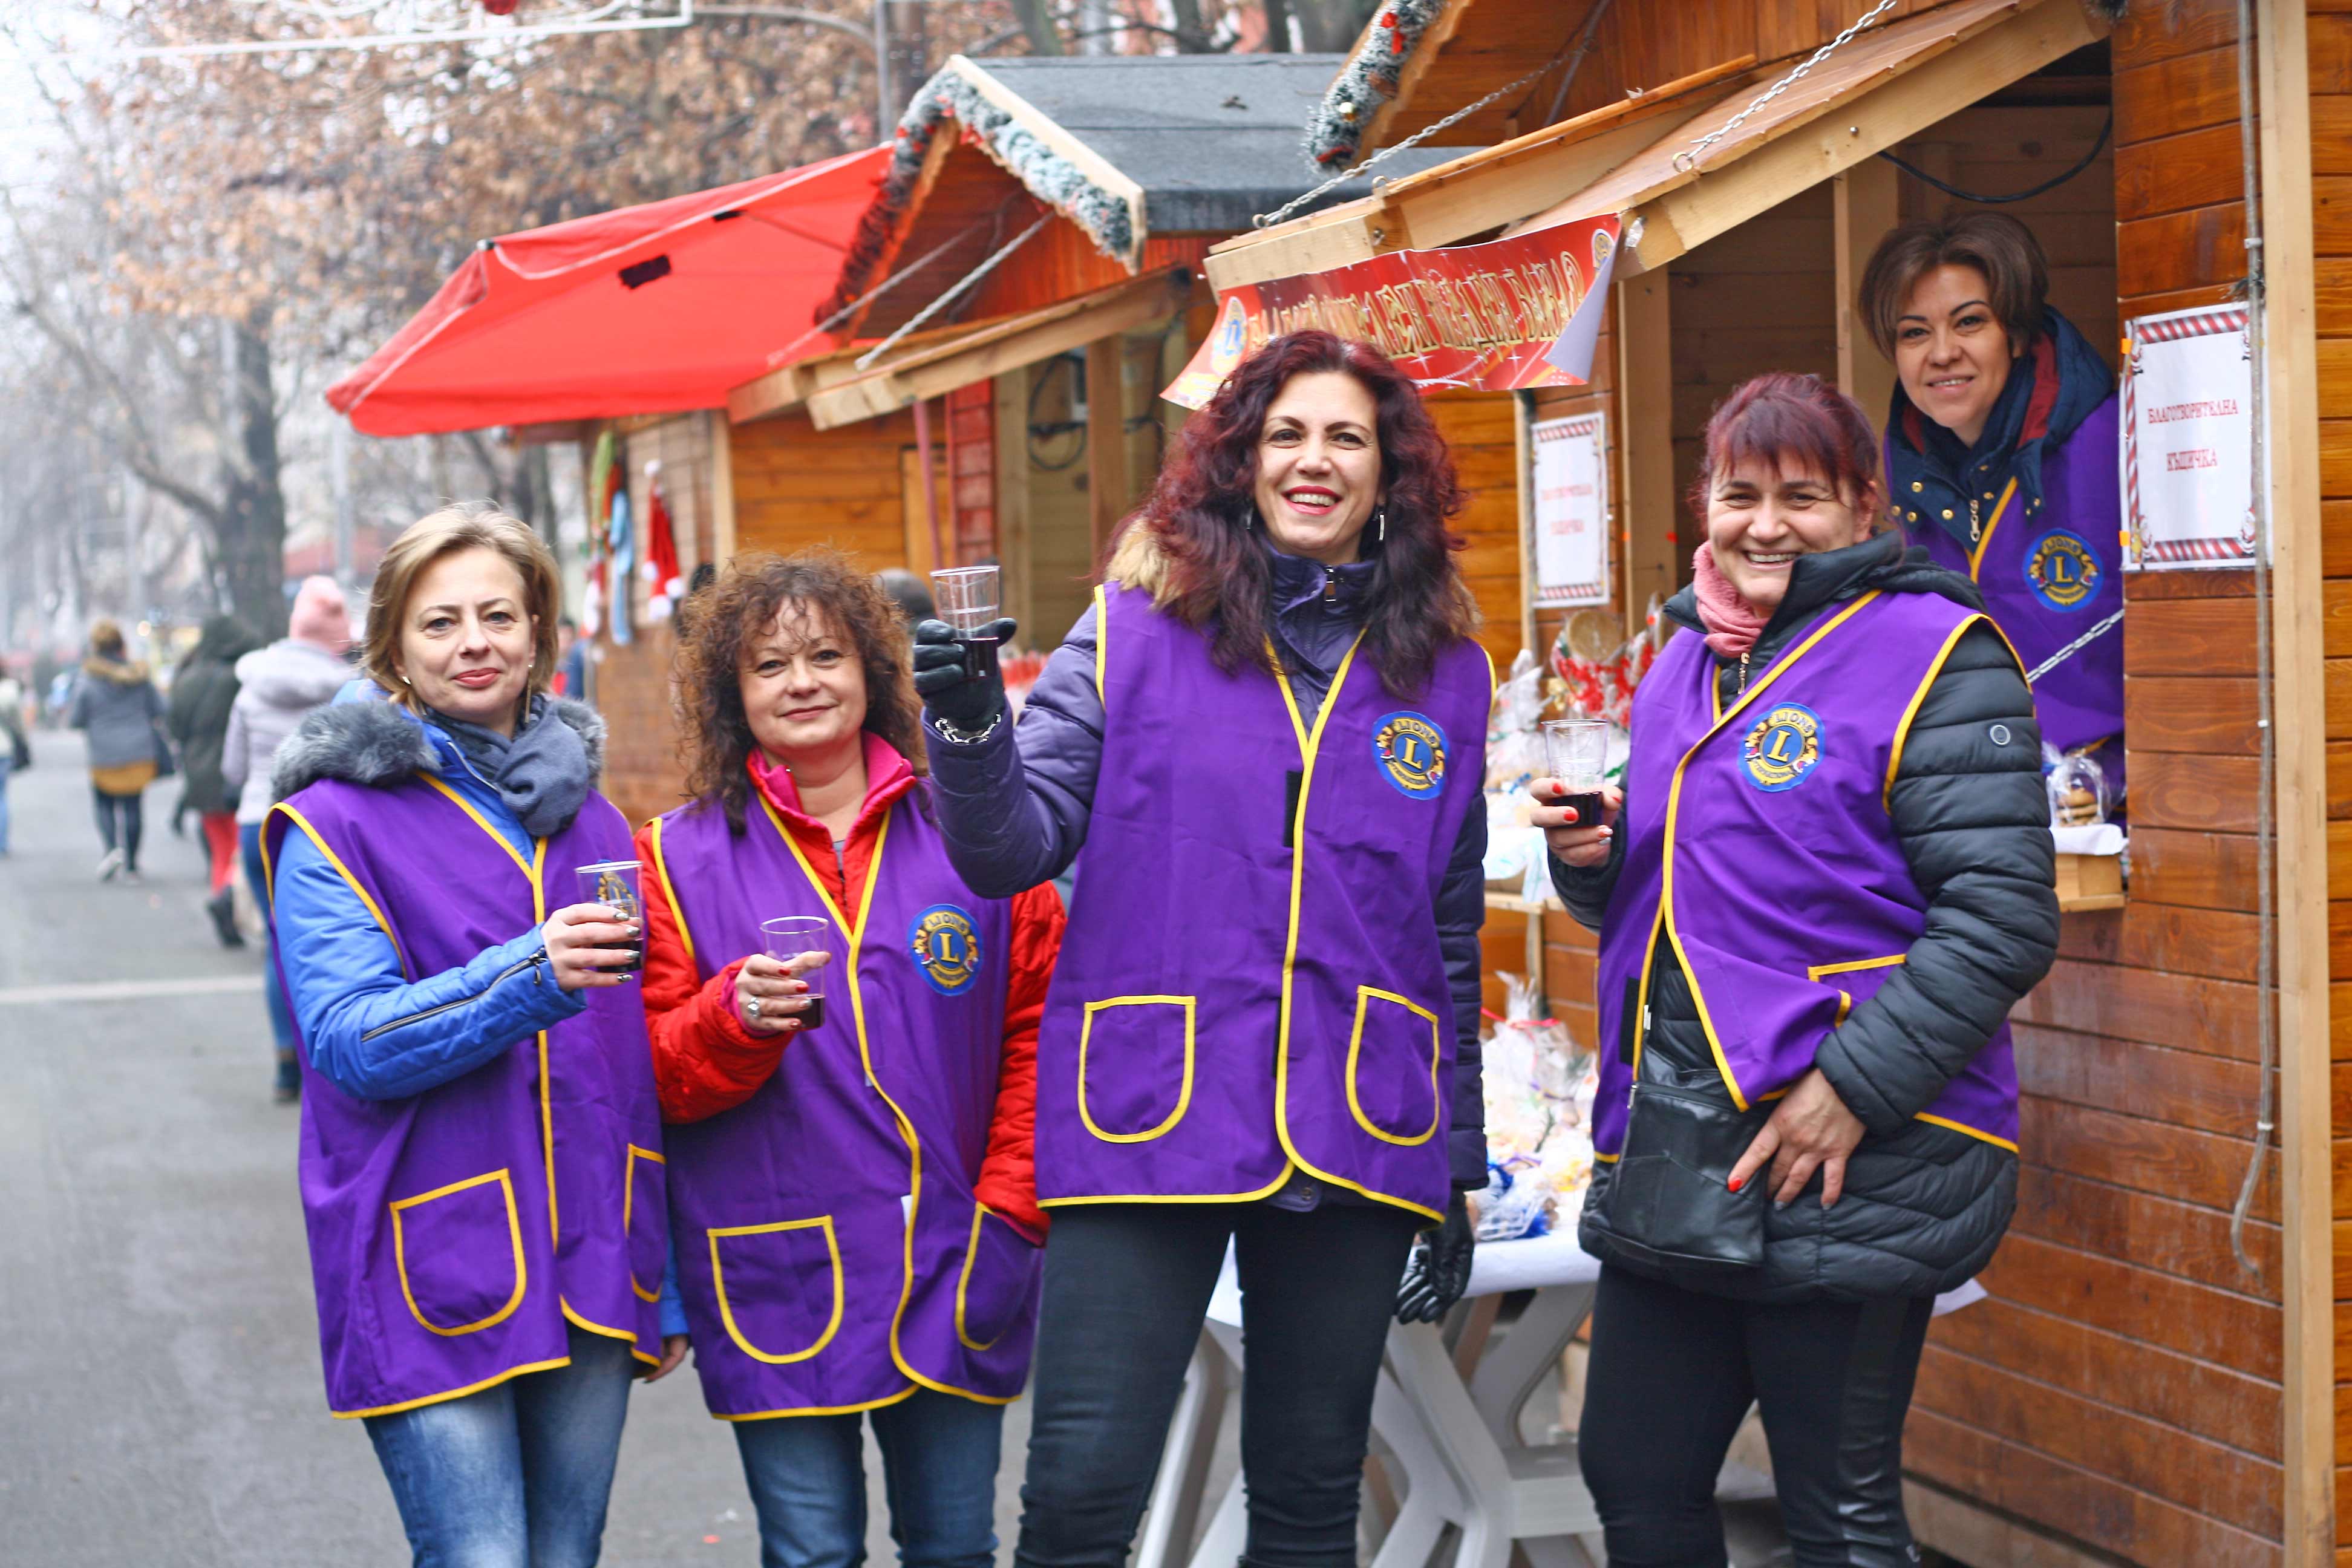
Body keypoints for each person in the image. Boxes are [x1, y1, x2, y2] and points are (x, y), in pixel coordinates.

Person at [913, 329, 1491, 1567]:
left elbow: (1445, 922)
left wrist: (1457, 1152)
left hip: (1356, 1117)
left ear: (1388, 475)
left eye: (1346, 438)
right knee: (1080, 1498)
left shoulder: (1447, 672)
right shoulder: (1132, 628)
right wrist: (966, 727)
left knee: (1310, 1498)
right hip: (1146, 1109)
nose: (1314, 461)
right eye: (1286, 435)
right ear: (1238, 462)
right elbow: (1011, 847)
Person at [1535, 373, 2057, 1568]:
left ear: (1864, 505)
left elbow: (2001, 917)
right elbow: (1673, 894)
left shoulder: (1940, 651)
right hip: (1680, 1137)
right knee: (1635, 1472)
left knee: (1835, 1510)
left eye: (1801, 497)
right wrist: (1594, 860)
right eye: (1739, 494)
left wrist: (1850, 1090)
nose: (1764, 525)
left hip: (1854, 1144)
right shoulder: (1682, 659)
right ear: (1703, 505)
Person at [263, 505, 678, 1568]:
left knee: (565, 1556)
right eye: (439, 622)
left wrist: (663, 1268)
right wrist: (529, 974)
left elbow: (628, 1063)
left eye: (499, 614)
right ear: (393, 648)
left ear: (539, 631)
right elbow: (351, 1041)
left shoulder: (591, 819)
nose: (474, 642)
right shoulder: (333, 821)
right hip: (427, 1251)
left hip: (594, 1246)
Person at [639, 549, 1062, 1568]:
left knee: (955, 1549)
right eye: (770, 664)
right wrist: (730, 1018)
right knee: (811, 1555)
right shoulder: (671, 858)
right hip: (776, 1267)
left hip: (956, 1260)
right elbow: (650, 1077)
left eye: (826, 655)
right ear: (733, 693)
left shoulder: (978, 833)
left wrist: (1010, 1213)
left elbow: (1044, 1042)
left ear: (873, 670)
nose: (802, 682)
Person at [1861, 211, 2122, 803]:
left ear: (2019, 334)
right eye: (1914, 333)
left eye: (1970, 322)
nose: (1942, 353)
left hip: (2114, 812)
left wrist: (2112, 775)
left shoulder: (2112, 444)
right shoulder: (1898, 475)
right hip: (1966, 804)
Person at [224, 576, 352, 1101]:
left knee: (279, 944)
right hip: (322, 826)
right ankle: (322, 1059)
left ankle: (284, 1062)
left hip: (257, 820)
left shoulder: (252, 683)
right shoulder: (347, 691)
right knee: (329, 944)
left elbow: (233, 768)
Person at [169, 614, 264, 945]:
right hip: (233, 770)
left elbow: (175, 727)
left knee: (220, 847)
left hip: (198, 771)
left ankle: (223, 902)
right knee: (241, 848)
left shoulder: (186, 677)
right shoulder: (239, 676)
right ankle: (229, 903)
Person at [69, 619, 166, 884]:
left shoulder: (88, 680)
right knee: (133, 806)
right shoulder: (140, 676)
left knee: (104, 803)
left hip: (103, 753)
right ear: (122, 645)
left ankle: (112, 850)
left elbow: (76, 718)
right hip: (139, 751)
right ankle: (132, 865)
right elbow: (160, 708)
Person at [0, 665, 25, 856]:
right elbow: (18, 723)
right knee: (1, 798)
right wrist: (23, 742)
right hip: (3, 749)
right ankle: (2, 843)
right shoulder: (9, 691)